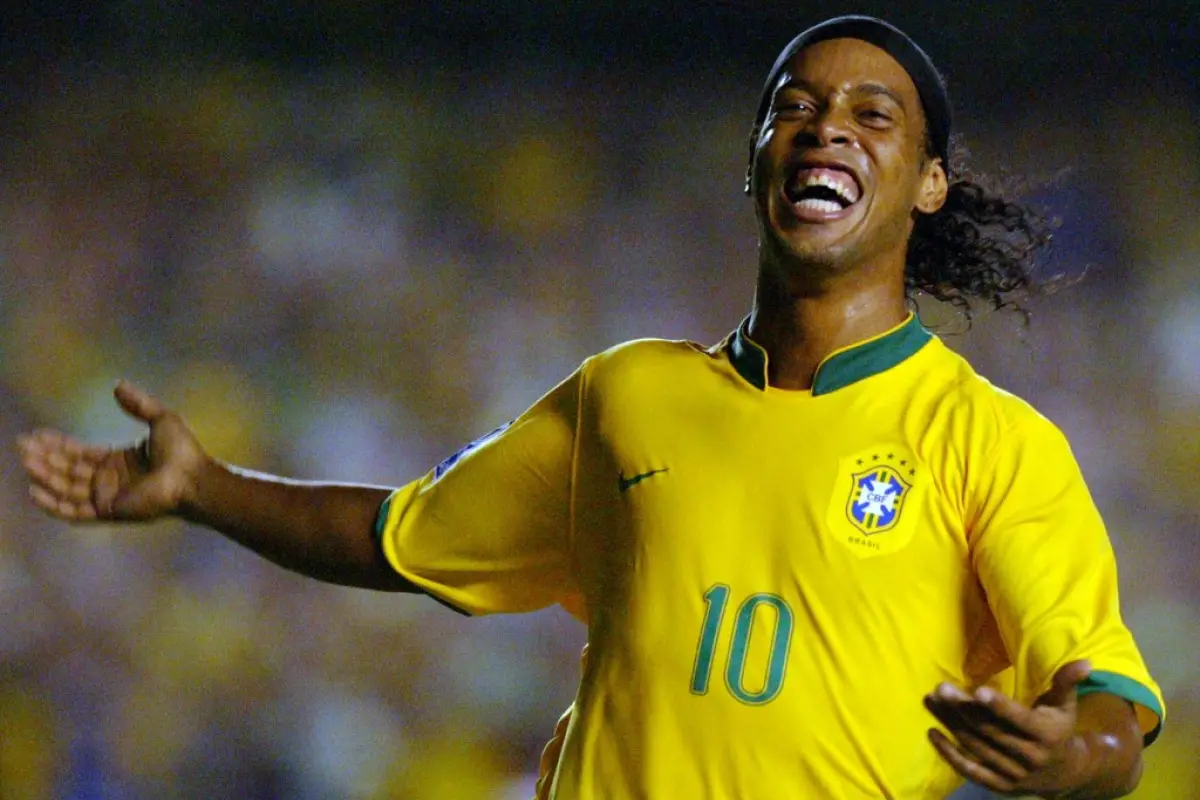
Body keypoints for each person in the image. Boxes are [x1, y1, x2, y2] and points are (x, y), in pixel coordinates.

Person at [17, 15, 1163, 800]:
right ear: (757, 156)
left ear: (926, 182)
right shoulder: (629, 394)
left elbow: (1107, 692)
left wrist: (1080, 752)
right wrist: (205, 488)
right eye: (796, 107)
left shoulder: (993, 441)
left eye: (873, 116)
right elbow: (404, 536)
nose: (825, 127)